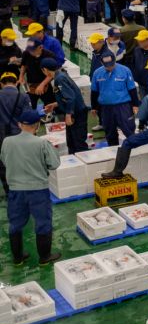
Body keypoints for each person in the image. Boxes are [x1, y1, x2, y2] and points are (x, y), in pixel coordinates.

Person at [2, 109, 61, 265]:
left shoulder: (7, 141)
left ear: (19, 124)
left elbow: (4, 159)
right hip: (38, 190)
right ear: (37, 125)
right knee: (42, 222)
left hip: (15, 190)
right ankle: (44, 257)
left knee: (15, 223)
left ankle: (17, 257)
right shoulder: (42, 143)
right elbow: (54, 164)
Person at [40, 58, 88, 154]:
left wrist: (68, 115)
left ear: (45, 70)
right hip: (74, 111)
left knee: (78, 143)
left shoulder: (60, 79)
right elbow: (68, 96)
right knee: (71, 142)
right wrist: (55, 104)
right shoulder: (60, 76)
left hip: (77, 113)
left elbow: (70, 98)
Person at [90, 52, 139, 146]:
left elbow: (132, 89)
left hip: (123, 107)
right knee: (109, 132)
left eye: (111, 65)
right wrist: (94, 107)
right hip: (105, 108)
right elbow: (94, 91)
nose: (109, 67)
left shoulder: (125, 70)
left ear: (114, 61)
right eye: (106, 66)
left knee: (129, 129)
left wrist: (135, 105)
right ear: (102, 63)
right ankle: (114, 151)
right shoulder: (97, 73)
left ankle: (135, 150)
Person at [0, 72, 32, 196]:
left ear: (1, 84)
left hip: (1, 135)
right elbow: (27, 117)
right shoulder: (23, 97)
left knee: (3, 163)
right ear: (16, 82)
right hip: (18, 134)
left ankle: (9, 191)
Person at [20, 39, 56, 113]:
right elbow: (24, 65)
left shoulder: (49, 55)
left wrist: (42, 85)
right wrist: (21, 77)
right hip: (31, 84)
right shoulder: (26, 53)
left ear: (40, 47)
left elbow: (52, 73)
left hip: (46, 84)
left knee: (49, 105)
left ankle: (48, 120)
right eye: (29, 50)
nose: (30, 52)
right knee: (30, 106)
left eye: (32, 50)